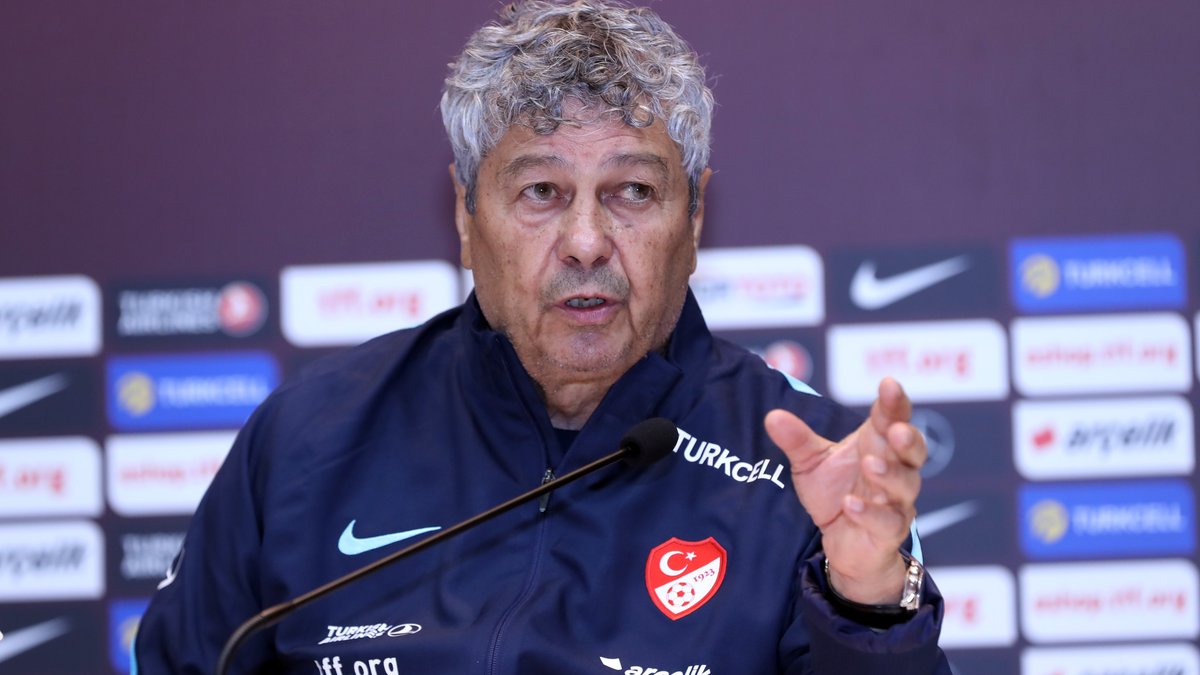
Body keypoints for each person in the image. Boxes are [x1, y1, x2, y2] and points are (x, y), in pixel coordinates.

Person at [134, 1, 951, 672]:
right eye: (541, 192)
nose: (587, 241)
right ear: (466, 216)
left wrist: (864, 602)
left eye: (633, 190)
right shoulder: (308, 441)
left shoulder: (806, 467)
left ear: (695, 219)